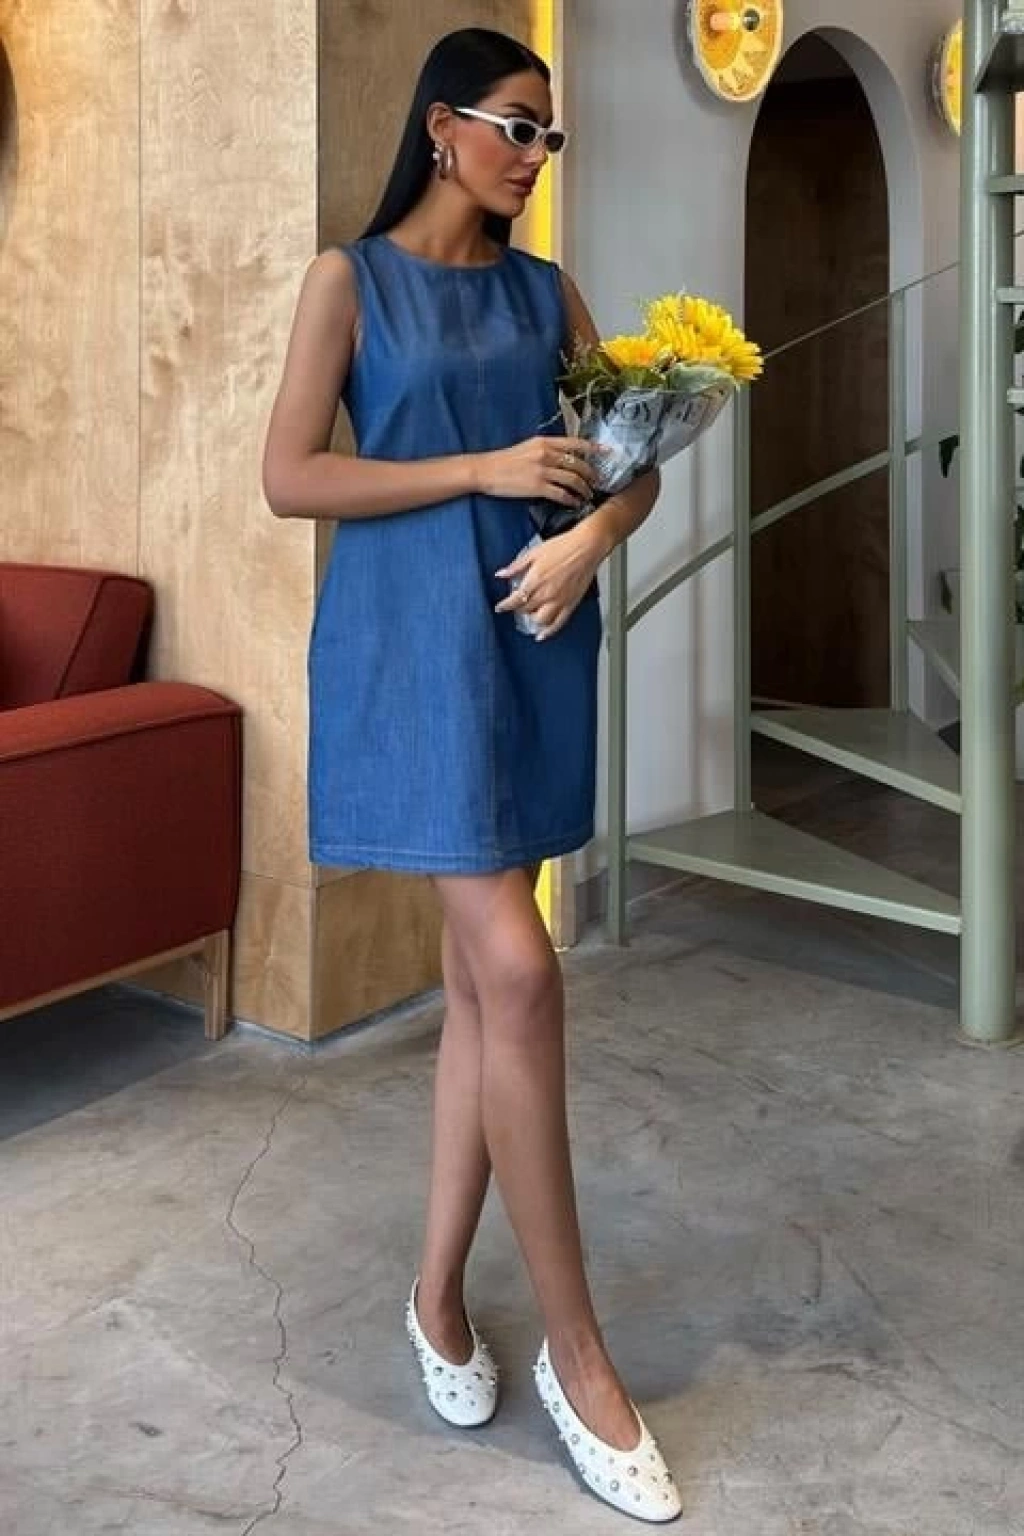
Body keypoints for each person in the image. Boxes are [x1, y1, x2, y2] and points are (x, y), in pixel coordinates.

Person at [262, 26, 679, 1524]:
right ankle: (577, 1352)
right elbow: (291, 476)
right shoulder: (349, 282)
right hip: (407, 653)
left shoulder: (544, 291)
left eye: (549, 138)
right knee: (521, 969)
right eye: (517, 127)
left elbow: (633, 457)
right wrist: (486, 471)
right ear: (443, 126)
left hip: (526, 640)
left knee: (480, 993)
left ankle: (438, 1296)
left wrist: (590, 538)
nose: (535, 158)